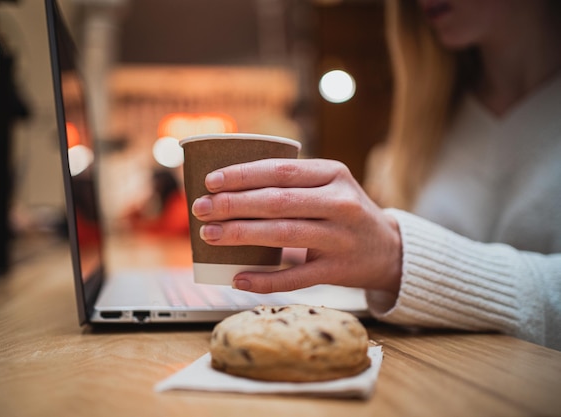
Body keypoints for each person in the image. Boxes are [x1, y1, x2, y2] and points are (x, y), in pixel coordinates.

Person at [190, 0, 561, 350]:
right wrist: (326, 240)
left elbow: (397, 259)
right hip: (436, 372)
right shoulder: (429, 119)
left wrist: (397, 257)